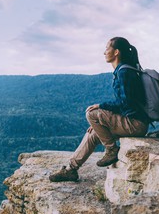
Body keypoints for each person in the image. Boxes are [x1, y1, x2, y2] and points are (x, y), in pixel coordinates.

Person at [49, 37, 150, 182]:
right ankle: (71, 169)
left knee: (91, 113)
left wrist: (101, 106)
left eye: (107, 48)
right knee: (93, 133)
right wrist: (99, 125)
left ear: (116, 52)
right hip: (133, 122)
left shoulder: (124, 72)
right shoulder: (125, 70)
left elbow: (126, 103)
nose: (104, 52)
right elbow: (128, 104)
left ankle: (111, 149)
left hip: (135, 124)